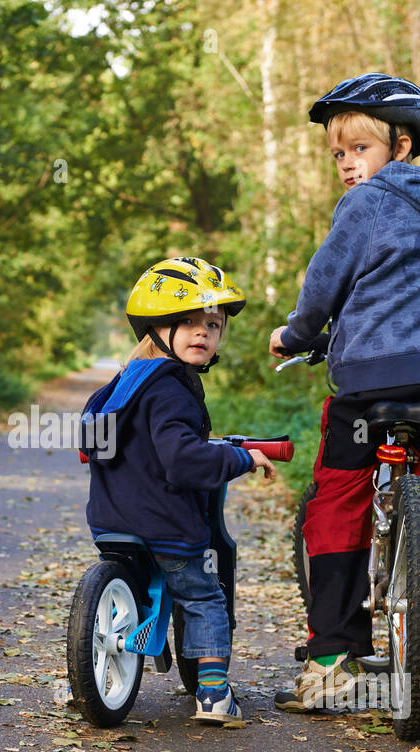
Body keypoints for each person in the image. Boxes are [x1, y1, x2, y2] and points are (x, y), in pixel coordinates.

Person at [268, 73, 420, 717]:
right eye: (338, 153)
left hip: (367, 384)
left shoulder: (364, 206)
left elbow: (325, 280)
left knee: (335, 501)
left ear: (401, 146)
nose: (346, 164)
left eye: (358, 148)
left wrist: (297, 333)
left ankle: (333, 662)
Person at [80, 257, 274, 723]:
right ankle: (212, 694)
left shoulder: (125, 383)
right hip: (165, 524)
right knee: (204, 596)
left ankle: (83, 680)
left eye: (212, 324)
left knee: (143, 585)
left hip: (111, 522)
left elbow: (102, 442)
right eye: (186, 322)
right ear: (157, 328)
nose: (201, 332)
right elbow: (183, 459)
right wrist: (241, 457)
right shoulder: (172, 390)